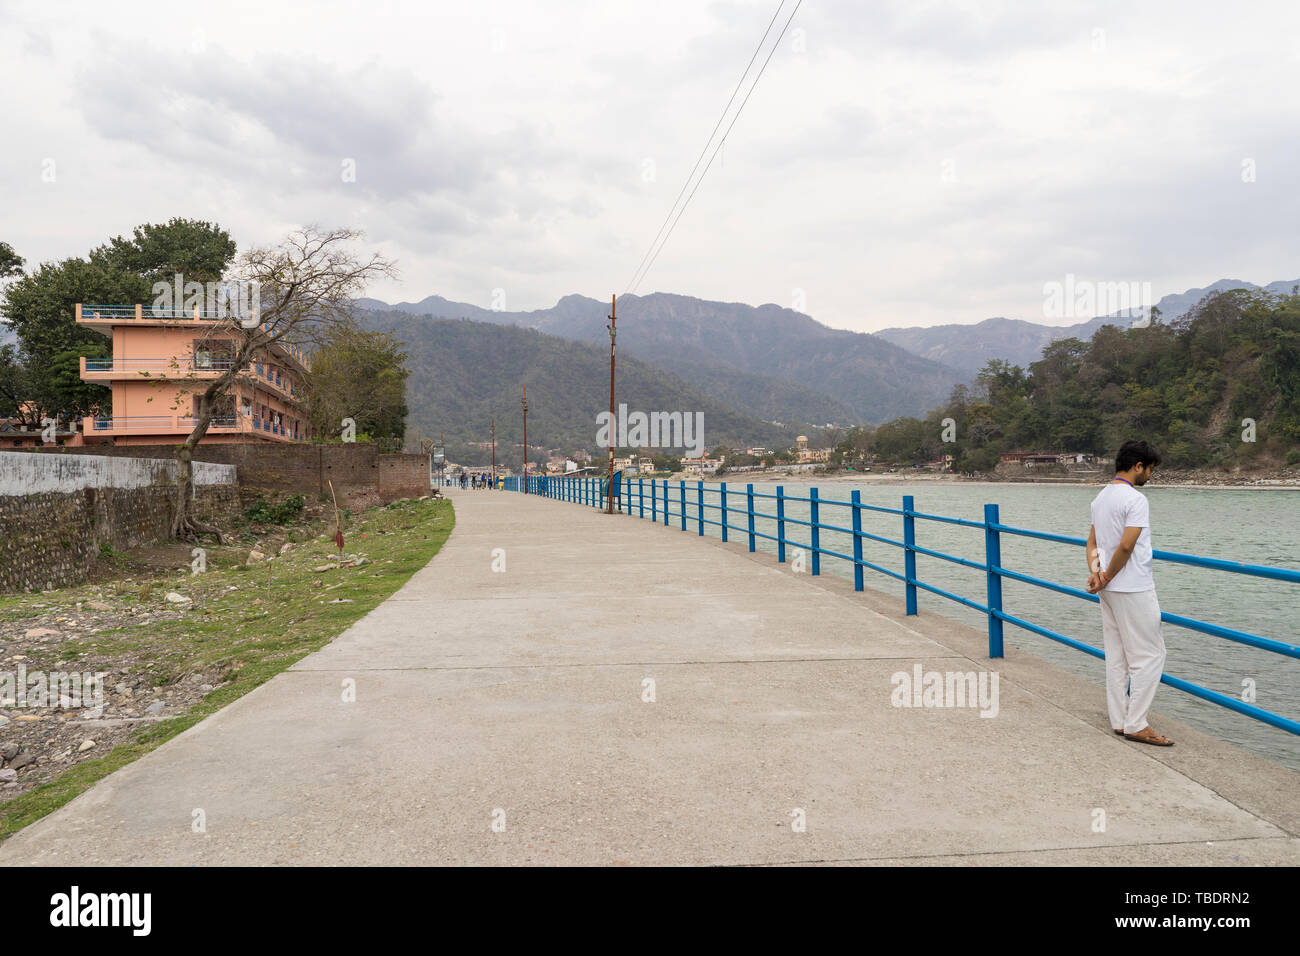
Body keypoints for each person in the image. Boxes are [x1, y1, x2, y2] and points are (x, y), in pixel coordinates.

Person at [1085, 440, 1171, 746]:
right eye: (1150, 470)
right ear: (1138, 466)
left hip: (1108, 591)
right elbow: (1126, 545)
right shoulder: (1135, 500)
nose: (1150, 475)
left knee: (1118, 656)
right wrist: (1107, 576)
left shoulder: (1100, 497)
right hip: (1132, 586)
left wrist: (1097, 574)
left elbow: (1092, 543)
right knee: (1150, 655)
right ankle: (1136, 723)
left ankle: (1120, 720)